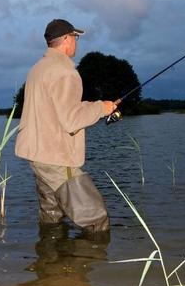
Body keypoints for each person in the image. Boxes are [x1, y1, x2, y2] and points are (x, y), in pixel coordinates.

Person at [15, 18, 117, 232]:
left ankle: (50, 261)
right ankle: (86, 262)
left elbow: (55, 108)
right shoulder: (66, 72)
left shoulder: (38, 68)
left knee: (52, 215)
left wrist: (92, 105)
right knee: (96, 220)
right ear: (66, 40)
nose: (76, 42)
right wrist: (102, 108)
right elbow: (71, 120)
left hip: (37, 155)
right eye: (75, 37)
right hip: (56, 158)